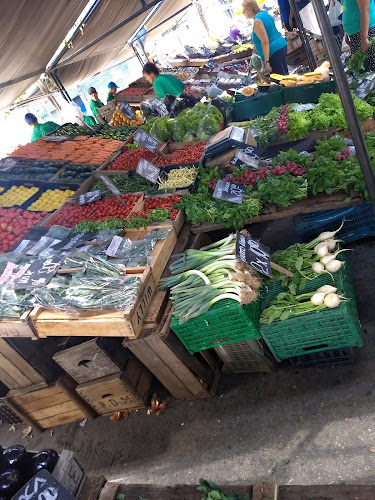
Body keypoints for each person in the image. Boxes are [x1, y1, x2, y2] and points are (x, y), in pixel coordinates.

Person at [242, 0, 288, 74]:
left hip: (273, 51)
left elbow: (265, 42)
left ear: (250, 9)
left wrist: (267, 62)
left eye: (244, 10)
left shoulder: (257, 21)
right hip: (280, 46)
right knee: (285, 76)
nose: (243, 13)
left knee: (279, 80)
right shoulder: (264, 13)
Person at [342, 0, 375, 70]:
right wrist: (347, 33)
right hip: (356, 34)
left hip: (366, 32)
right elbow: (349, 8)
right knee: (363, 70)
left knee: (370, 67)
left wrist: (364, 38)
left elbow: (365, 10)